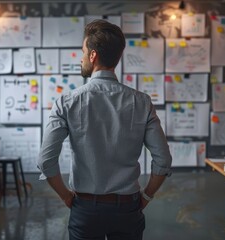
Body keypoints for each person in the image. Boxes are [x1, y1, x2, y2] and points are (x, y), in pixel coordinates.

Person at [38, 19, 172, 240]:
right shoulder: (142, 102)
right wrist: (146, 196)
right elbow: (163, 159)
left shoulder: (66, 102)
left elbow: (45, 161)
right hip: (128, 208)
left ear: (92, 56)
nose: (81, 58)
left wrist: (65, 196)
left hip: (85, 208)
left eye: (83, 52)